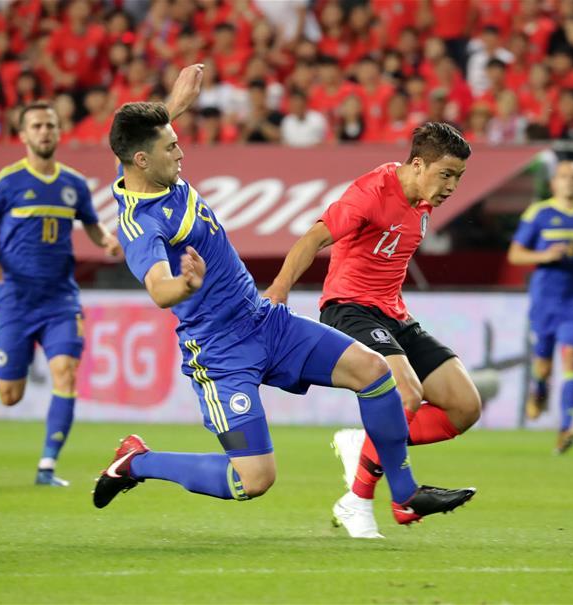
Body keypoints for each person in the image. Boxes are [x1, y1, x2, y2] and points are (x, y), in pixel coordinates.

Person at [93, 67, 474, 532]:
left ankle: (405, 494)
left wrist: (176, 101)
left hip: (263, 320)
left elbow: (138, 136)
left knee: (376, 374)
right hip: (220, 351)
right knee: (253, 479)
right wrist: (185, 286)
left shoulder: (143, 166)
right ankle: (137, 462)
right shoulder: (141, 226)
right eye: (171, 147)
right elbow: (157, 287)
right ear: (141, 160)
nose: (181, 152)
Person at [264, 122, 482, 539]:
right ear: (417, 164)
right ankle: (363, 500)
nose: (453, 186)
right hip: (350, 308)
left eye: (459, 177)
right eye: (446, 174)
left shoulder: (423, 196)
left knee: (464, 407)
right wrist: (279, 289)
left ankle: (364, 444)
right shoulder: (371, 193)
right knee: (407, 394)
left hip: (395, 314)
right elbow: (313, 237)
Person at [0, 100, 121, 487]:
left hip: (59, 299)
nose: (45, 132)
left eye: (50, 125)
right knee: (9, 396)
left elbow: (93, 225)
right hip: (14, 297)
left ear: (58, 131)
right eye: (36, 126)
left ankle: (47, 467)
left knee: (66, 373)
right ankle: (6, 361)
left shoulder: (74, 185)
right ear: (23, 135)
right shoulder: (7, 182)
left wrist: (108, 241)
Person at [506, 161, 573, 454]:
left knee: (572, 359)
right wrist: (545, 255)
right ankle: (539, 389)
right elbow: (515, 254)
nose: (571, 182)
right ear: (554, 183)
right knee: (544, 365)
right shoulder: (538, 213)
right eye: (565, 177)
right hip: (545, 298)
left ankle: (566, 427)